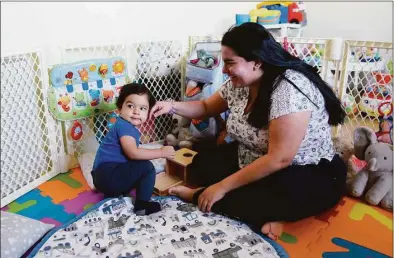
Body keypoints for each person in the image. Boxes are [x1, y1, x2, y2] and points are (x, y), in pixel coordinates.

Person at [149, 22, 347, 239]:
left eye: (230, 63)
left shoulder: (289, 89)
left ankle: (200, 196)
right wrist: (171, 105)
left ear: (257, 62)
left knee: (256, 196)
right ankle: (264, 210)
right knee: (201, 166)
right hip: (253, 156)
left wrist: (221, 187)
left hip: (303, 171)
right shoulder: (241, 84)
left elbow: (279, 159)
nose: (224, 70)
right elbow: (205, 108)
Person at [92, 83, 175, 215]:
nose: (136, 111)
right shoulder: (125, 127)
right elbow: (132, 153)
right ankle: (142, 205)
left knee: (134, 168)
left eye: (142, 108)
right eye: (131, 106)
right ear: (120, 108)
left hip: (102, 176)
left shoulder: (123, 125)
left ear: (148, 112)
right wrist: (161, 152)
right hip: (108, 175)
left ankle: (114, 196)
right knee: (146, 168)